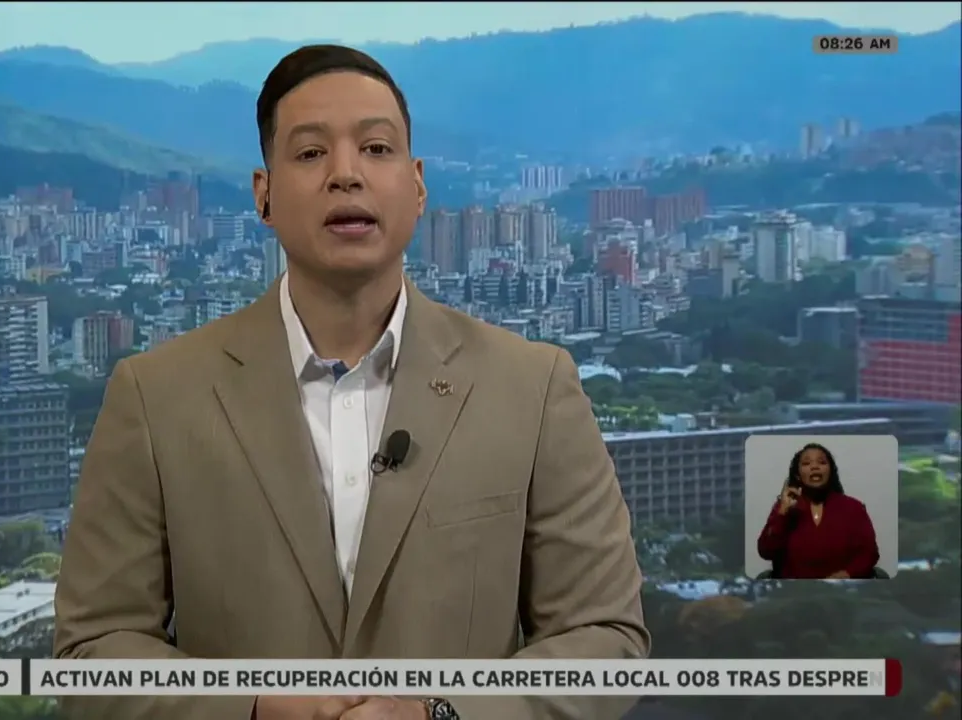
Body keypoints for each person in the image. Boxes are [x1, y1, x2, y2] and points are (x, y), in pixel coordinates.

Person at [54, 44, 650, 720]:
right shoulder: (156, 396)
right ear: (263, 194)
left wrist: (440, 712)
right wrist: (250, 706)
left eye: (376, 148)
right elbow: (93, 649)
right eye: (311, 153)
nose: (346, 174)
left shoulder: (532, 387)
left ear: (417, 185)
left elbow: (603, 635)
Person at [755, 442, 880, 580]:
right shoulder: (785, 507)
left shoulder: (853, 507)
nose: (815, 467)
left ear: (830, 471)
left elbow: (870, 553)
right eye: (806, 463)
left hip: (841, 588)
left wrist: (848, 574)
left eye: (822, 462)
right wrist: (782, 513)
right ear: (797, 475)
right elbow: (765, 551)